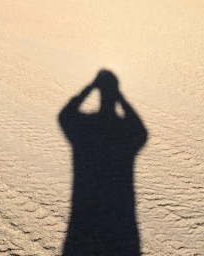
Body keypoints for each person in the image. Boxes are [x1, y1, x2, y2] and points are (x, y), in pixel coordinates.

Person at [59, 69, 147, 255]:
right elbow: (141, 131)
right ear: (115, 94)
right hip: (121, 224)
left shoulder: (84, 129)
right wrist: (120, 97)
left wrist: (90, 87)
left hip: (84, 220)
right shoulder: (124, 133)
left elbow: (64, 115)